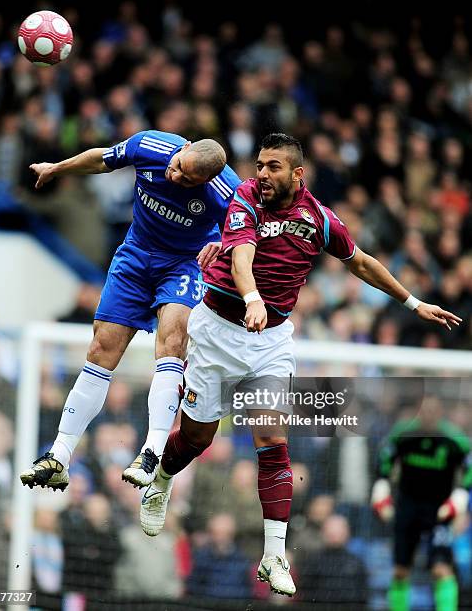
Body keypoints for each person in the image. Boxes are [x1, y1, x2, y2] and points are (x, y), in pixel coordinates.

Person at [138, 133, 462, 598]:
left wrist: (413, 303)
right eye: (260, 165)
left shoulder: (320, 219)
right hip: (217, 329)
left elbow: (361, 263)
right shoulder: (245, 199)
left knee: (271, 436)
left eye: (273, 167)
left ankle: (273, 554)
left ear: (297, 174)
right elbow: (242, 255)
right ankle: (163, 480)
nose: (262, 174)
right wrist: (251, 297)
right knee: (197, 438)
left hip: (270, 339)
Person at [20, 130, 240, 491]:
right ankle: (59, 455)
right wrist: (57, 168)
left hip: (184, 264)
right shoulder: (151, 146)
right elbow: (101, 158)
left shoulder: (226, 191)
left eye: (189, 179)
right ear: (183, 148)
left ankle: (151, 452)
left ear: (209, 180)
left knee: (172, 341)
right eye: (179, 168)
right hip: (136, 253)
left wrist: (222, 243)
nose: (177, 178)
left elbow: (248, 235)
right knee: (100, 348)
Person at [371, 397, 472, 611]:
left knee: (441, 569)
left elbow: (469, 465)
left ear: (440, 415)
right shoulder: (403, 434)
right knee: (400, 570)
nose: (428, 416)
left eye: (433, 412)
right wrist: (381, 484)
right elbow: (385, 457)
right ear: (418, 413)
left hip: (439, 511)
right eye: (424, 411)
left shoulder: (454, 439)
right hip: (407, 507)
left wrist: (461, 493)